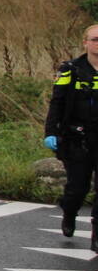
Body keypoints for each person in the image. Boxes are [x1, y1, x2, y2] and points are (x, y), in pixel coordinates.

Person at [44, 23, 98, 252]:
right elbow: (57, 102)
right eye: (95, 39)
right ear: (85, 42)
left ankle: (96, 234)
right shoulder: (71, 69)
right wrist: (51, 132)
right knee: (78, 187)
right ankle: (69, 211)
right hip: (78, 138)